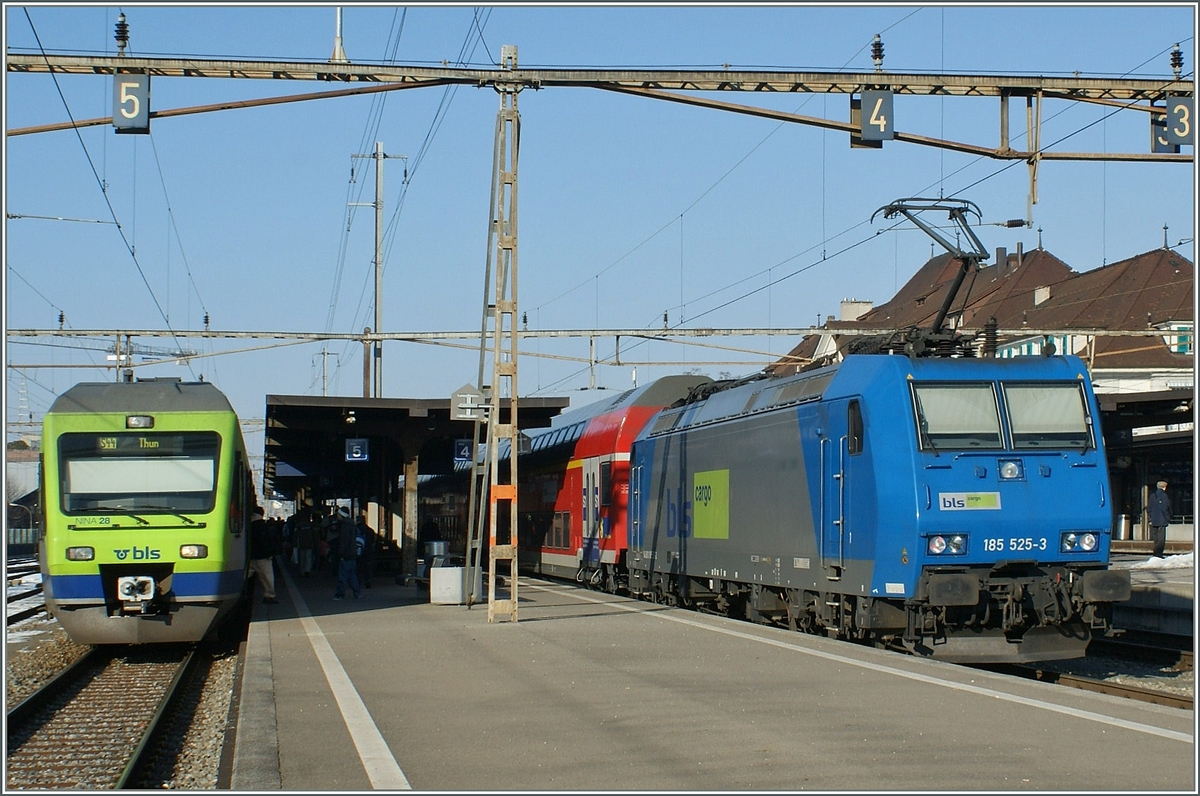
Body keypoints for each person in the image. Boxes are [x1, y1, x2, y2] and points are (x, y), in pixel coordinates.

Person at [249, 508, 282, 604]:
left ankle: (237, 591)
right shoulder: (263, 526)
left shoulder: (248, 526)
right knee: (267, 578)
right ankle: (269, 596)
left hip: (250, 557)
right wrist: (269, 553)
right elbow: (266, 541)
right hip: (263, 557)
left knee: (244, 577)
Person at [332, 506, 363, 600]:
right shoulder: (351, 524)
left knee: (343, 575)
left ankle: (340, 594)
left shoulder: (344, 526)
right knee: (352, 574)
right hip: (352, 553)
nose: (337, 516)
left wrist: (341, 554)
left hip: (346, 554)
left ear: (341, 515)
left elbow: (344, 542)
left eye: (338, 514)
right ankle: (357, 593)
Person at [1146, 480, 1172, 558]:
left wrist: (1152, 516)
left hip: (1154, 520)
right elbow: (1166, 508)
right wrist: (1168, 518)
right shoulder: (1164, 496)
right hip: (1162, 519)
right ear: (1164, 487)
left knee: (1156, 537)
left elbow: (1149, 508)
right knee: (1161, 538)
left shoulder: (1152, 496)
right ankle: (1158, 553)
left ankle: (1156, 552)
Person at [355, 512, 378, 589]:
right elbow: (373, 541)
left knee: (358, 567)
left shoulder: (355, 529)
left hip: (358, 551)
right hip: (368, 550)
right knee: (367, 566)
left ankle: (357, 582)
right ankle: (368, 581)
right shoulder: (370, 530)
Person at [295, 507, 320, 577]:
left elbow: (296, 535)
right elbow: (315, 535)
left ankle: (302, 571)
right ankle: (307, 570)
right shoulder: (311, 526)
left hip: (301, 543)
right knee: (308, 557)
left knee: (302, 558)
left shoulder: (299, 526)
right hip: (309, 543)